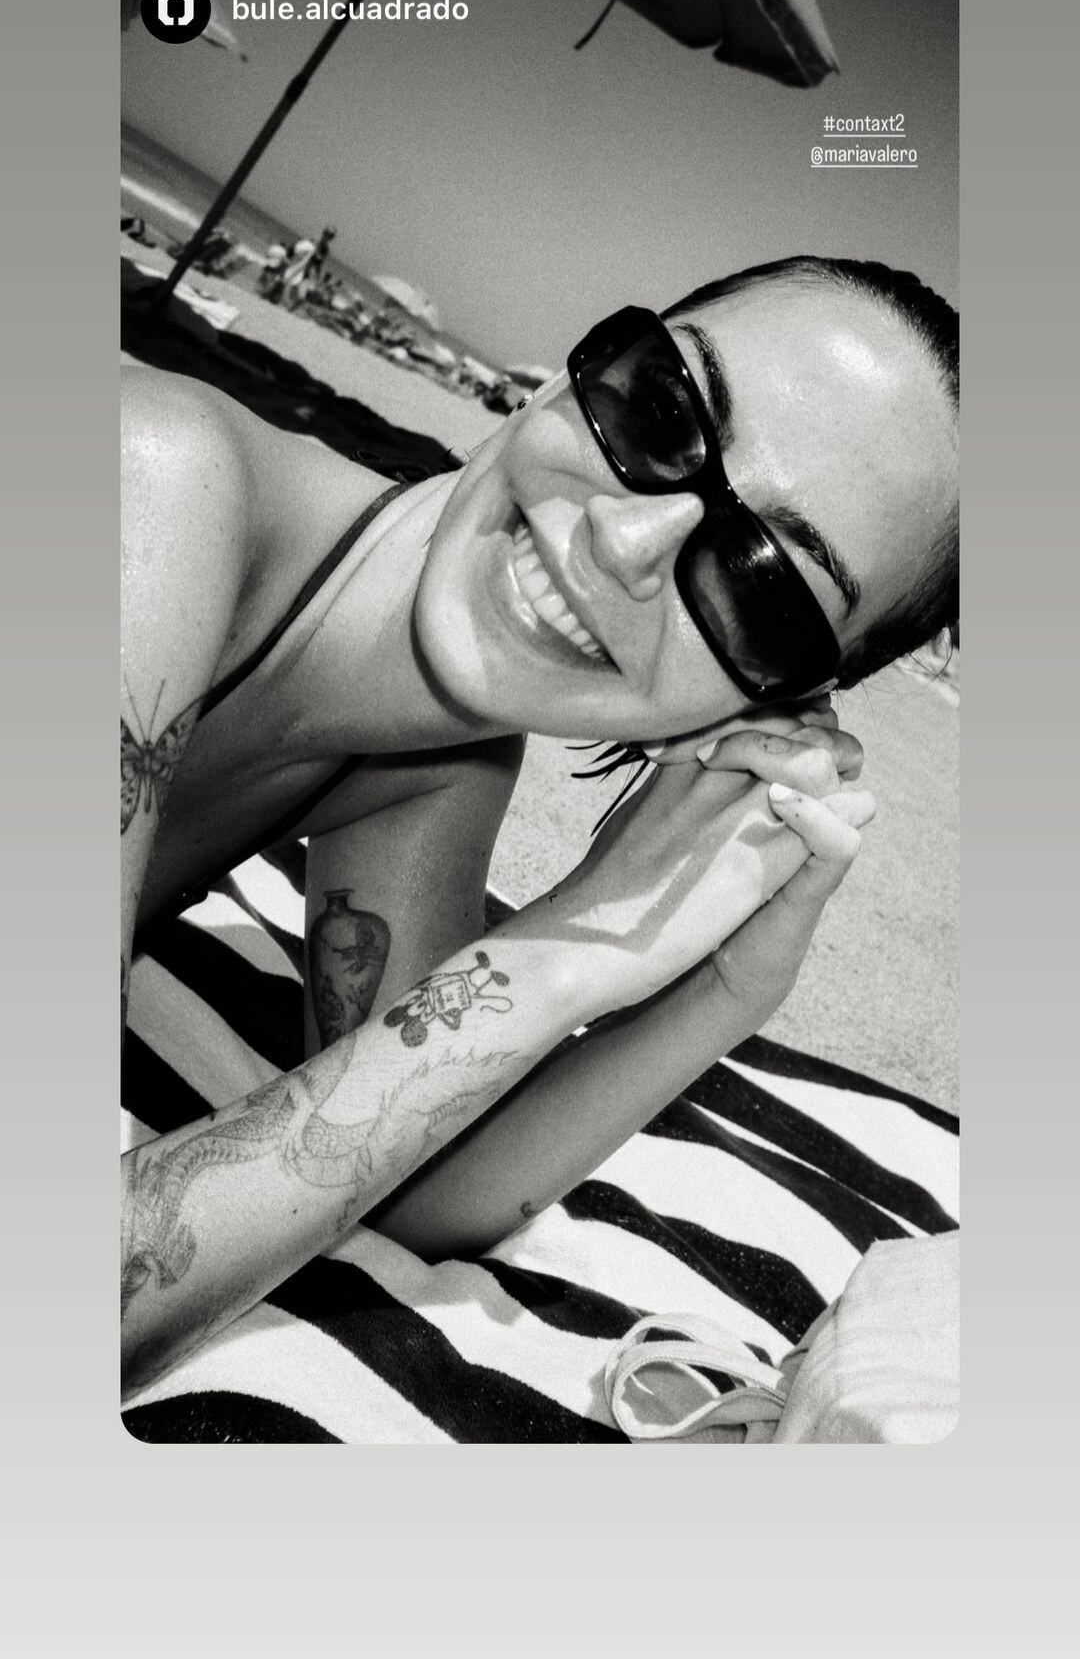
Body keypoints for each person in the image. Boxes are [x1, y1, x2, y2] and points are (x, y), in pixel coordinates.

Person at [120, 254, 959, 1397]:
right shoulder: (152, 487)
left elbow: (407, 1179)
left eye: (763, 582)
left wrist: (698, 983)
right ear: (569, 374)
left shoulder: (431, 766)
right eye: (662, 410)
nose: (629, 542)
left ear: (769, 705)